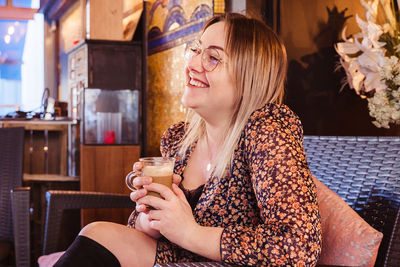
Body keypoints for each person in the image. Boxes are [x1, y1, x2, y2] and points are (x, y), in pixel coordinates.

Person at [49, 13, 321, 266]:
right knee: (97, 233)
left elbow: (299, 246)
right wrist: (150, 218)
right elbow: (147, 232)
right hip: (180, 257)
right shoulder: (180, 139)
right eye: (196, 51)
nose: (191, 64)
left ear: (249, 76)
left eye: (213, 58)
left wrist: (189, 232)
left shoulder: (267, 130)